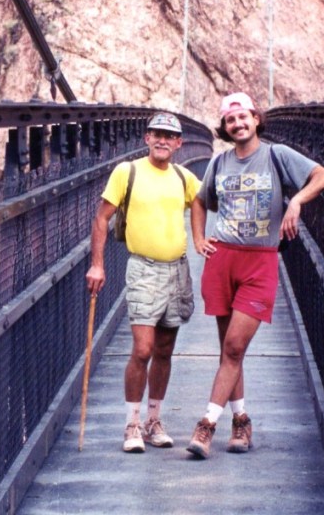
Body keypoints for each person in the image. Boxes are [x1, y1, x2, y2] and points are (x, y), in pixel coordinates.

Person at [187, 92, 324, 459]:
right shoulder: (219, 163)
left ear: (256, 119)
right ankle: (241, 422)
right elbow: (200, 201)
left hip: (260, 262)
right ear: (225, 127)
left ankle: (206, 425)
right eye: (230, 120)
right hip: (222, 259)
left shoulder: (276, 155)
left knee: (234, 347)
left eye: (243, 117)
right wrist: (199, 238)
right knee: (230, 350)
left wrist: (296, 200)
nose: (238, 124)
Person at [86, 112, 200, 453]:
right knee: (143, 349)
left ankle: (154, 421)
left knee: (164, 350)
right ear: (146, 138)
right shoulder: (128, 172)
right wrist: (97, 265)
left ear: (179, 143)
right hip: (143, 270)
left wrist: (199, 237)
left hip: (178, 271)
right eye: (156, 134)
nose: (162, 140)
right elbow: (102, 218)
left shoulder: (184, 177)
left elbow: (203, 201)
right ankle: (131, 424)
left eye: (169, 135)